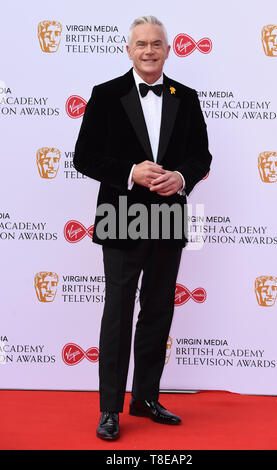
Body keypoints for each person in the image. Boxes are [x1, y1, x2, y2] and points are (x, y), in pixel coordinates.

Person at [73, 15, 212, 441]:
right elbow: (84, 157)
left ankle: (146, 397)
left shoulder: (185, 97)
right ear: (129, 50)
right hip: (120, 215)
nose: (149, 50)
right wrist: (131, 171)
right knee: (118, 311)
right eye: (141, 44)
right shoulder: (106, 95)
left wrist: (182, 178)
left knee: (158, 309)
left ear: (168, 51)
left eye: (156, 44)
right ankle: (110, 408)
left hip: (169, 215)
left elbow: (201, 156)